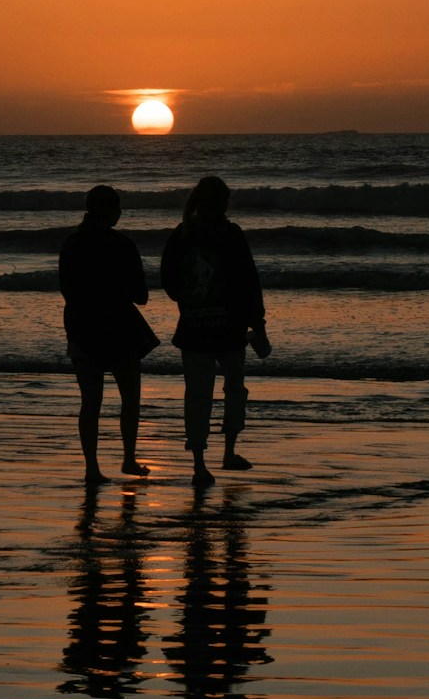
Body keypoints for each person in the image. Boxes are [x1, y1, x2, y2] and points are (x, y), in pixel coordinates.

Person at [161, 175, 270, 488]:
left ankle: (200, 465)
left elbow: (168, 280)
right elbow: (250, 281)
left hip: (194, 328)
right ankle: (229, 452)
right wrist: (258, 323)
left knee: (198, 396)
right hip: (229, 329)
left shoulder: (182, 234)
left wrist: (190, 300)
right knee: (234, 390)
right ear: (221, 202)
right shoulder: (230, 234)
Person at [57, 185, 155, 484]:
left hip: (82, 327)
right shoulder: (123, 244)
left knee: (90, 403)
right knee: (130, 398)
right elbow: (141, 296)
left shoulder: (71, 244)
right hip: (119, 328)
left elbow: (67, 290)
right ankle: (128, 458)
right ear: (112, 212)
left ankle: (92, 468)